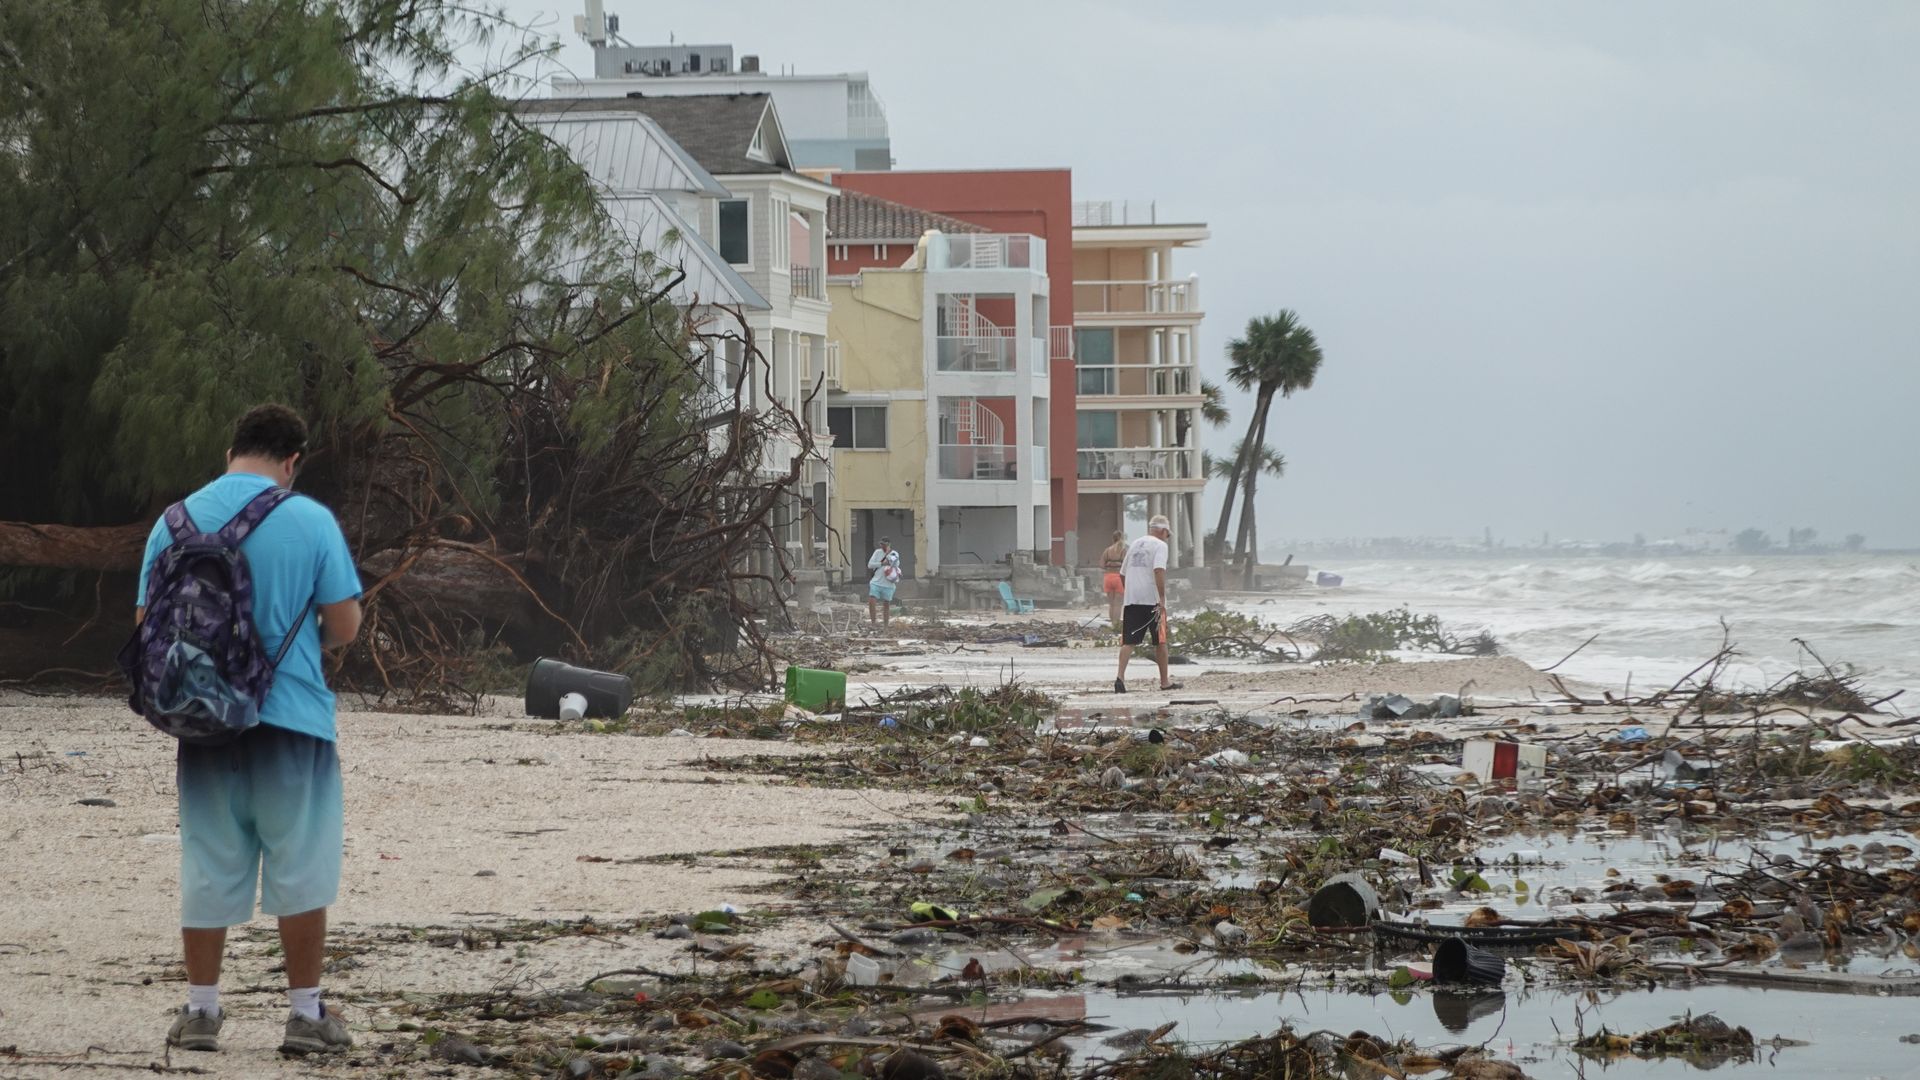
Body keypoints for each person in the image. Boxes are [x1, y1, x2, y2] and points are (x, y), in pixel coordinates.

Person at [137, 405, 363, 1056]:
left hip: (204, 723)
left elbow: (146, 621)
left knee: (208, 862)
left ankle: (201, 1013)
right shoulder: (311, 520)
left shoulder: (173, 523)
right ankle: (305, 1015)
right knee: (300, 865)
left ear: (231, 448)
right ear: (293, 461)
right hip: (292, 720)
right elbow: (344, 626)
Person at [1114, 515, 1181, 694]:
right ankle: (1165, 682)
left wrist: (1130, 590)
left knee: (1128, 641)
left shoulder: (1135, 544)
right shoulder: (1160, 546)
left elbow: (1122, 573)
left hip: (1132, 599)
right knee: (1160, 640)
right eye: (1167, 534)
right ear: (1164, 531)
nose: (1167, 538)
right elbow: (1158, 570)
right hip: (1152, 601)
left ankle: (1119, 678)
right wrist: (1162, 598)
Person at [866, 537, 901, 626]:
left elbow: (896, 564)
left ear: (889, 545)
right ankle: (873, 622)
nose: (882, 546)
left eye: (884, 544)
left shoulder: (894, 553)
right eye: (881, 544)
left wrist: (889, 556)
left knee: (886, 604)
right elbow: (870, 565)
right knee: (871, 600)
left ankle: (886, 625)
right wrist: (881, 563)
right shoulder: (877, 552)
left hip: (888, 583)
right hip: (876, 581)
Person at [1100, 531, 1129, 625]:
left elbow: (1101, 565)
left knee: (1111, 604)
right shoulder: (1123, 551)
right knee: (1118, 604)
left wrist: (1110, 565)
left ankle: (1112, 624)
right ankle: (1116, 624)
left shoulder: (1107, 550)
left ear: (1112, 539)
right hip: (1119, 578)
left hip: (1108, 578)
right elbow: (1127, 565)